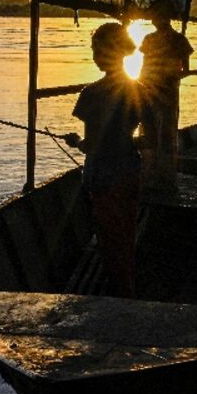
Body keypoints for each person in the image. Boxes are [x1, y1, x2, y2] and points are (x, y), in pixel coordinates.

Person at [63, 22, 144, 298]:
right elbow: (148, 139)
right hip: (131, 172)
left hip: (105, 179)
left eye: (97, 50)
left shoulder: (92, 93)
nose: (94, 56)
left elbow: (93, 145)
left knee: (110, 242)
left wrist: (77, 142)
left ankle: (121, 296)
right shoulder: (139, 89)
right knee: (126, 237)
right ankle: (127, 289)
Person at [138, 0, 193, 192]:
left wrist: (166, 77)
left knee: (162, 134)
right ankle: (153, 177)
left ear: (168, 16)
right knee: (153, 133)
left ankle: (162, 179)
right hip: (150, 92)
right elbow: (145, 67)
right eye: (154, 14)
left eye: (158, 14)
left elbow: (184, 68)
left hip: (164, 94)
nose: (155, 18)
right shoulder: (150, 39)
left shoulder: (177, 40)